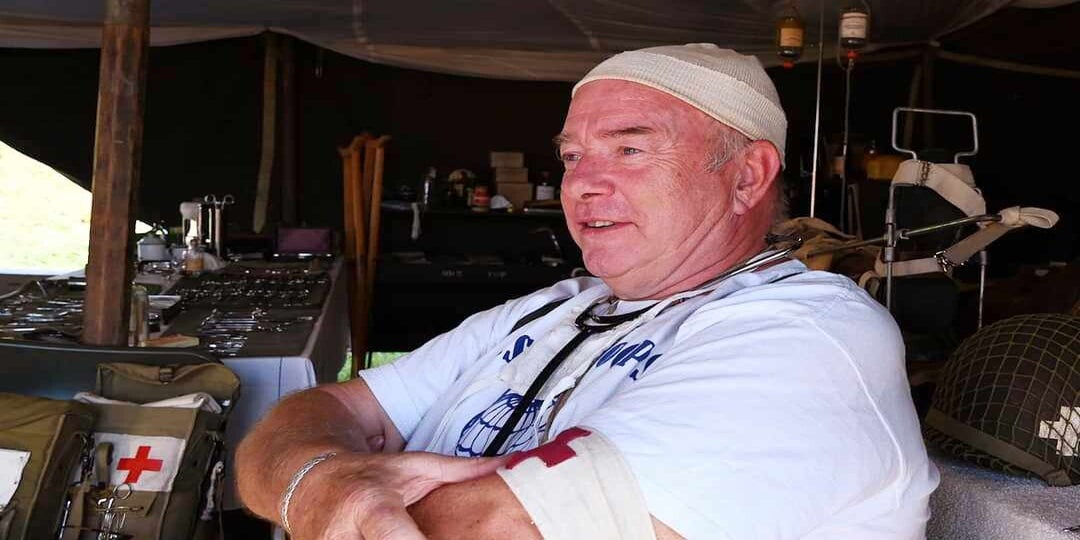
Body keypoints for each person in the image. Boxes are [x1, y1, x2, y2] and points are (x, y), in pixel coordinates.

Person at [236, 43, 938, 539]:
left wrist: (317, 495)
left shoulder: (807, 336)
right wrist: (318, 481)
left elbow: (497, 529)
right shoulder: (554, 307)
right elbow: (315, 411)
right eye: (573, 156)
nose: (581, 184)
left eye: (630, 149)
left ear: (748, 176)